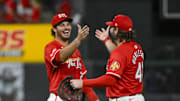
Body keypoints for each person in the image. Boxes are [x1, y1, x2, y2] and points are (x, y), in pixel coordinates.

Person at [70, 14, 145, 101]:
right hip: (136, 97)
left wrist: (82, 83)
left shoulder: (120, 52)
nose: (110, 29)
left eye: (112, 27)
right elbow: (121, 56)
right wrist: (106, 40)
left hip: (124, 98)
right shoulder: (136, 48)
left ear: (117, 30)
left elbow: (110, 79)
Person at [44, 12, 100, 101]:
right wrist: (78, 40)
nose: (66, 27)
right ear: (54, 29)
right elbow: (60, 58)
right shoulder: (50, 47)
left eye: (68, 24)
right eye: (62, 25)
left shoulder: (76, 52)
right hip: (58, 97)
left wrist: (95, 99)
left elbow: (83, 81)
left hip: (74, 98)